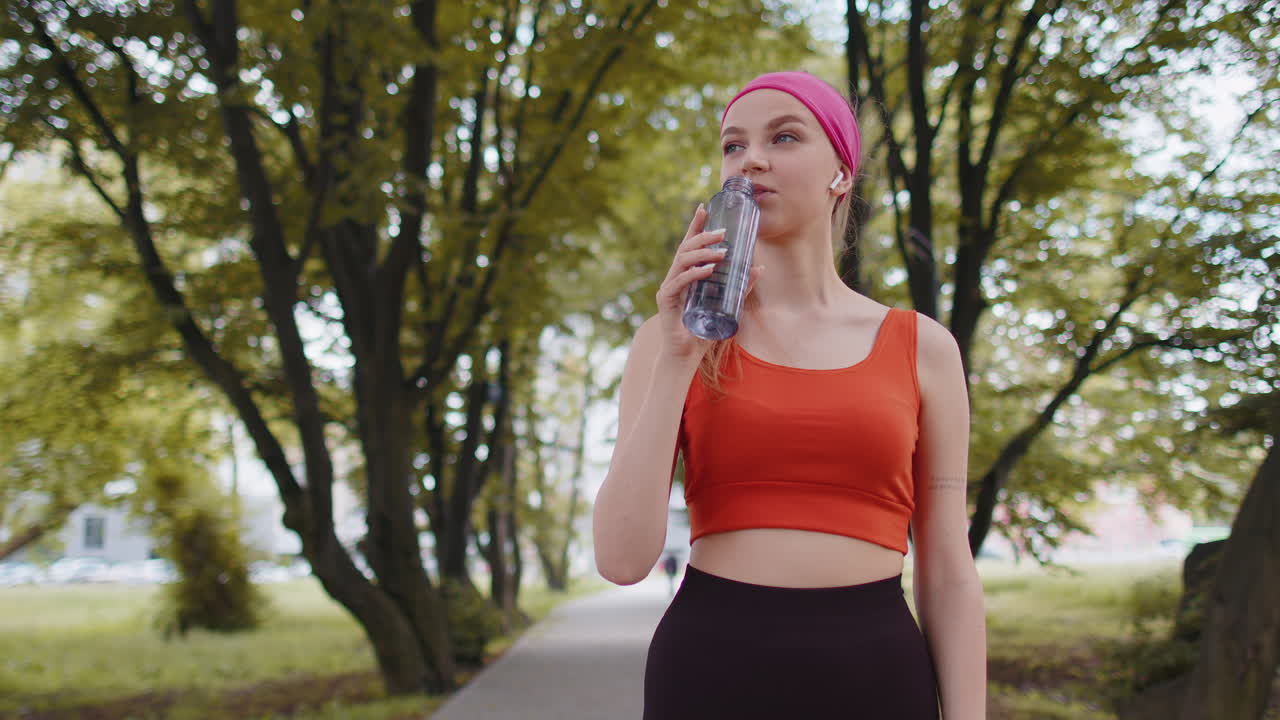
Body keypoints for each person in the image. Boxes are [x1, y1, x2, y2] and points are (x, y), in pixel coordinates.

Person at [591, 71, 986, 719]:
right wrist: (677, 359)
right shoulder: (669, 339)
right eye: (733, 145)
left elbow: (947, 567)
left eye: (784, 137)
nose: (750, 159)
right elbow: (621, 560)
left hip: (878, 677)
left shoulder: (925, 348)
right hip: (710, 671)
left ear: (842, 172)